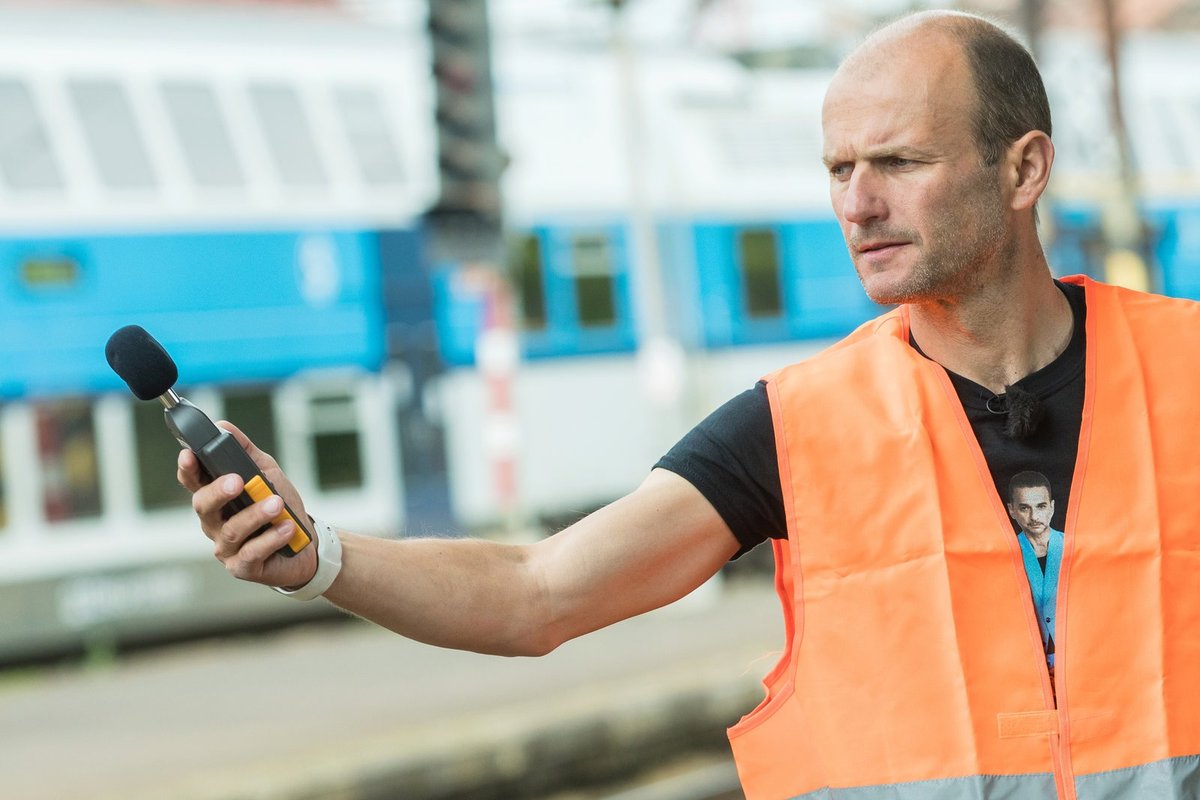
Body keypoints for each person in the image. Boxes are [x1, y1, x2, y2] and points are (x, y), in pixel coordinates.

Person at [180, 9, 1200, 800]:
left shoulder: (1187, 367)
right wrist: (326, 557)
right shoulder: (798, 426)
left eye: (899, 161)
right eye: (840, 169)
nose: (857, 203)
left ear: (1021, 168)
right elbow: (538, 592)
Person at [1006, 470, 1064, 680]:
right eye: (1024, 508)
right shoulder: (1005, 554)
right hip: (1026, 671)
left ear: (1052, 507)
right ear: (1012, 510)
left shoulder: (1074, 547)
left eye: (1041, 506)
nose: (1034, 517)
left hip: (1078, 663)